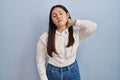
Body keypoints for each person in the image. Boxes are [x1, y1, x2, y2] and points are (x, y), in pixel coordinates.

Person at [36, 5, 97, 80]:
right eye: (54, 16)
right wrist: (43, 77)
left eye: (61, 13)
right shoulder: (45, 37)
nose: (58, 17)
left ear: (67, 15)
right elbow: (40, 59)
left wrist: (73, 22)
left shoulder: (76, 35)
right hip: (52, 72)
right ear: (52, 21)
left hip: (72, 71)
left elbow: (93, 26)